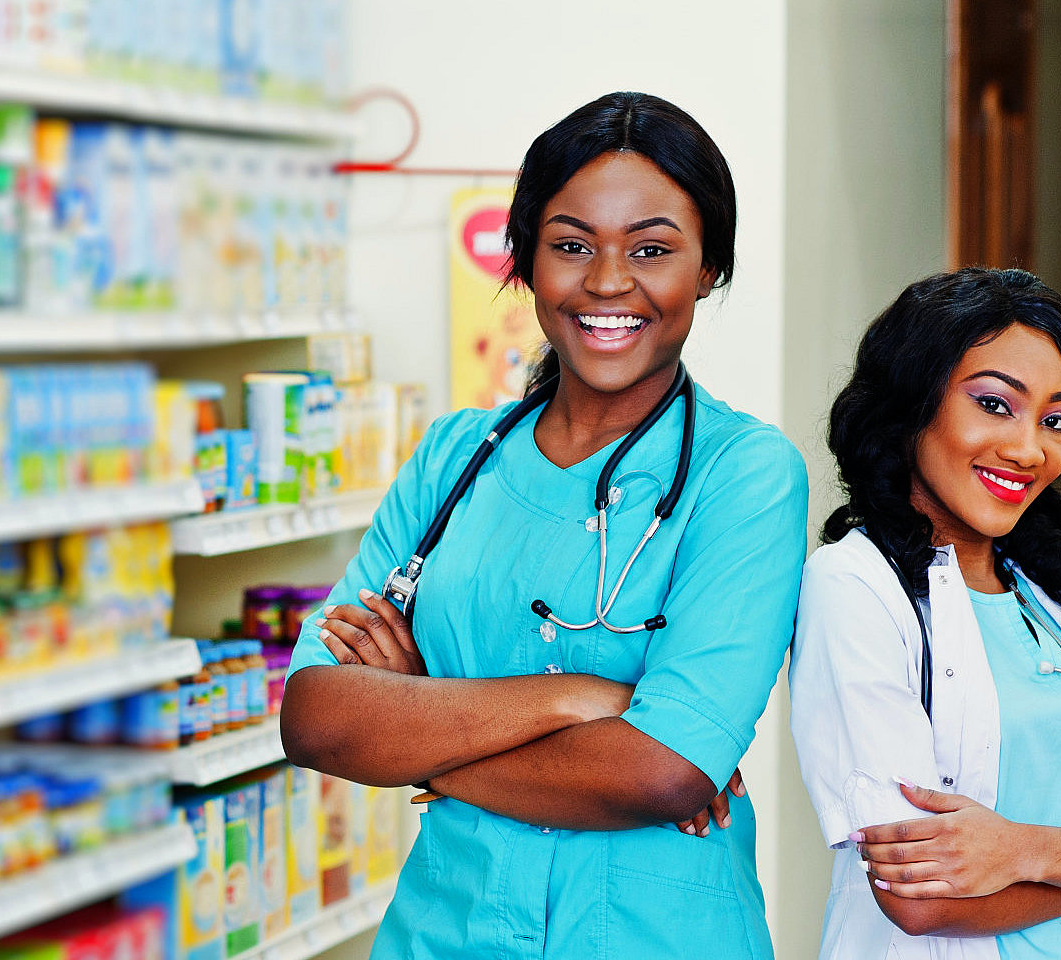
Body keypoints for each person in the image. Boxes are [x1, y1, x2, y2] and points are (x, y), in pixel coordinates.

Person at [279, 91, 808, 959]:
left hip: (655, 937)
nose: (606, 282)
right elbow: (316, 718)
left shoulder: (743, 475)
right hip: (442, 933)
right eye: (570, 246)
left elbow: (662, 772)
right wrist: (579, 701)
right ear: (524, 260)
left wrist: (415, 731)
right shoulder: (455, 458)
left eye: (652, 249)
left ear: (708, 266)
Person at [789, 267, 1061, 960]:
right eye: (994, 404)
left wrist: (1016, 849)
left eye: (1054, 420)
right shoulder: (855, 585)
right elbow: (919, 901)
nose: (1027, 449)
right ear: (912, 405)